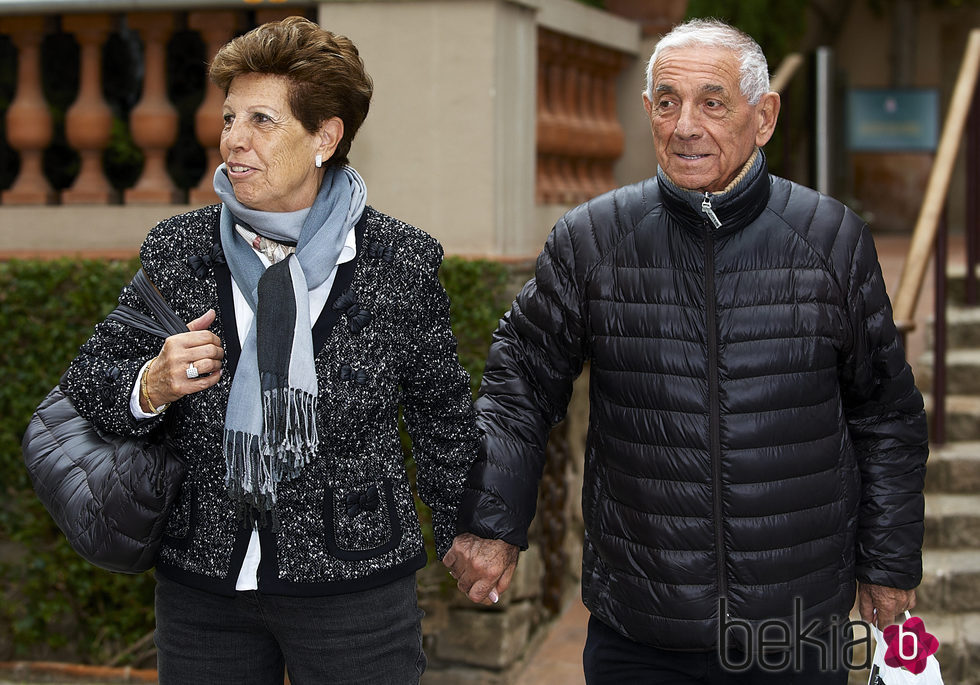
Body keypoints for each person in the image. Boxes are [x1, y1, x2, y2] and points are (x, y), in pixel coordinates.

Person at [443, 18, 928, 684]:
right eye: (667, 102)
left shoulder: (832, 239)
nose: (684, 124)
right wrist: (491, 519)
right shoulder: (591, 239)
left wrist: (888, 561)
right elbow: (519, 383)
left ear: (764, 117)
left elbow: (886, 414)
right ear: (647, 112)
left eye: (712, 102)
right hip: (641, 625)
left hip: (792, 623)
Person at [61, 16, 478, 685]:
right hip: (205, 586)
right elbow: (90, 385)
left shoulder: (398, 260)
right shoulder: (180, 250)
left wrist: (473, 528)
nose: (234, 139)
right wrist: (151, 383)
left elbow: (441, 413)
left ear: (325, 136)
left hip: (355, 586)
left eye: (262, 119)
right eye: (229, 117)